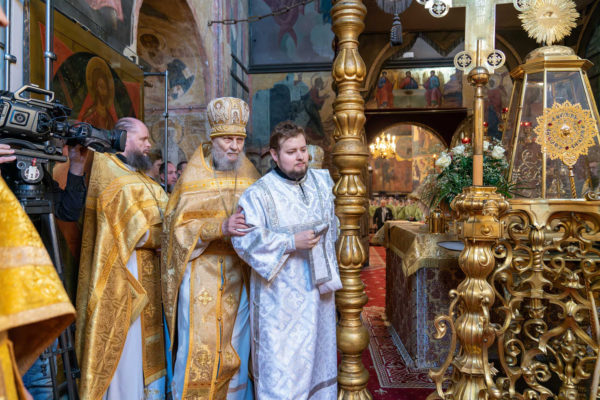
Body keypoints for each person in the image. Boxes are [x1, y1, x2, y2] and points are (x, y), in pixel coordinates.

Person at [231, 121, 342, 399]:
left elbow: (334, 225)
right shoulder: (258, 194)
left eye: (303, 149)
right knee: (283, 369)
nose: (301, 156)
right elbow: (244, 240)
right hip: (279, 302)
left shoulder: (321, 182)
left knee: (318, 362)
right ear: (275, 155)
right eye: (291, 152)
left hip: (319, 295)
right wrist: (291, 242)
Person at [162, 97, 260, 400]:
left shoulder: (250, 174)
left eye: (239, 139)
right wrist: (219, 227)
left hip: (238, 276)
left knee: (236, 347)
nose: (234, 146)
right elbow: (175, 231)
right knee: (197, 347)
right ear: (213, 138)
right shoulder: (193, 176)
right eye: (228, 139)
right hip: (199, 273)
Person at [76, 117, 168, 400]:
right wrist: (164, 239)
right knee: (127, 352)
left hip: (151, 277)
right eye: (144, 139)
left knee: (145, 353)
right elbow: (132, 232)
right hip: (124, 280)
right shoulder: (108, 170)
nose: (149, 145)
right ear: (124, 138)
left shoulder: (142, 177)